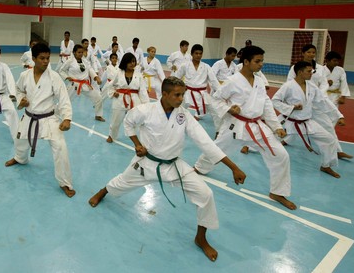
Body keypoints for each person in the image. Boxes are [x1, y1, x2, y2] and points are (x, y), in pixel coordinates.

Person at [88, 77, 247, 262]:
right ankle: (102, 192)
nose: (181, 99)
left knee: (206, 194)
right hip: (147, 163)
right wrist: (137, 144)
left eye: (183, 95)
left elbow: (205, 142)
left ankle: (201, 238)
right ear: (164, 94)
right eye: (177, 95)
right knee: (121, 183)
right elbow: (129, 123)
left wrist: (233, 167)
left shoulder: (184, 115)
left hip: (173, 165)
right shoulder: (145, 110)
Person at [194, 46, 296, 210]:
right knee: (217, 149)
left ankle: (278, 192)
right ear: (246, 62)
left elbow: (267, 104)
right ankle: (199, 168)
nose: (261, 64)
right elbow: (216, 99)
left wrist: (276, 126)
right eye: (257, 61)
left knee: (281, 155)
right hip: (236, 127)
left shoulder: (259, 81)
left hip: (257, 127)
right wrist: (229, 109)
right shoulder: (233, 81)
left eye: (262, 60)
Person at [5, 42, 75, 197]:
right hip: (29, 116)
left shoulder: (54, 77)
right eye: (42, 58)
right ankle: (20, 159)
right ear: (34, 59)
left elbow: (63, 98)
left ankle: (65, 182)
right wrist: (21, 99)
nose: (45, 61)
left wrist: (67, 118)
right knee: (21, 141)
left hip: (48, 118)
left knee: (61, 148)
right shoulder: (25, 75)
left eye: (48, 58)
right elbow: (17, 90)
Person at [272, 61, 345, 178]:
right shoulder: (288, 86)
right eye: (309, 71)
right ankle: (248, 147)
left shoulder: (311, 86)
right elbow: (275, 101)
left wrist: (339, 115)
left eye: (312, 71)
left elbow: (323, 102)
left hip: (307, 122)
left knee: (330, 140)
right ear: (300, 72)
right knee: (267, 137)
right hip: (289, 122)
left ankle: (326, 165)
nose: (312, 74)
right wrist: (291, 108)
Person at [106, 53, 150, 143]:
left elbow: (142, 91)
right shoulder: (118, 73)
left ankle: (136, 138)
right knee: (115, 121)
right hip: (120, 99)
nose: (132, 64)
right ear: (125, 62)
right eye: (130, 62)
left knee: (137, 120)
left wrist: (146, 105)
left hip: (134, 99)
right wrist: (113, 93)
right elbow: (110, 85)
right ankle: (112, 135)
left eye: (133, 61)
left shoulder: (139, 75)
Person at [172, 44, 220, 120]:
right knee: (177, 108)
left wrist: (221, 92)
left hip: (202, 93)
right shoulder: (185, 65)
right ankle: (172, 121)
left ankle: (219, 129)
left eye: (200, 53)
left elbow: (213, 81)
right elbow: (176, 77)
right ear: (192, 54)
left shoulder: (206, 66)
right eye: (196, 53)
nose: (198, 55)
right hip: (188, 92)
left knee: (214, 110)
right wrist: (175, 89)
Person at [321, 51, 354, 160]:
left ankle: (336, 150)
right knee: (325, 125)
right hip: (323, 97)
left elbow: (344, 83)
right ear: (327, 60)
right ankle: (336, 150)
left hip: (335, 98)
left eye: (337, 61)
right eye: (334, 60)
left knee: (331, 125)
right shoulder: (320, 70)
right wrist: (326, 82)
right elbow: (316, 83)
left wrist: (343, 96)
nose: (336, 63)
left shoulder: (340, 70)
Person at [59, 44, 105, 122]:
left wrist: (96, 77)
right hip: (74, 85)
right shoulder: (70, 61)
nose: (81, 54)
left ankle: (98, 115)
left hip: (85, 84)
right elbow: (61, 70)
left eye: (82, 52)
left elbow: (90, 69)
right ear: (74, 53)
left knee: (98, 97)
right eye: (79, 52)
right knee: (66, 100)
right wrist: (66, 77)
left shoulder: (85, 61)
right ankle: (56, 113)